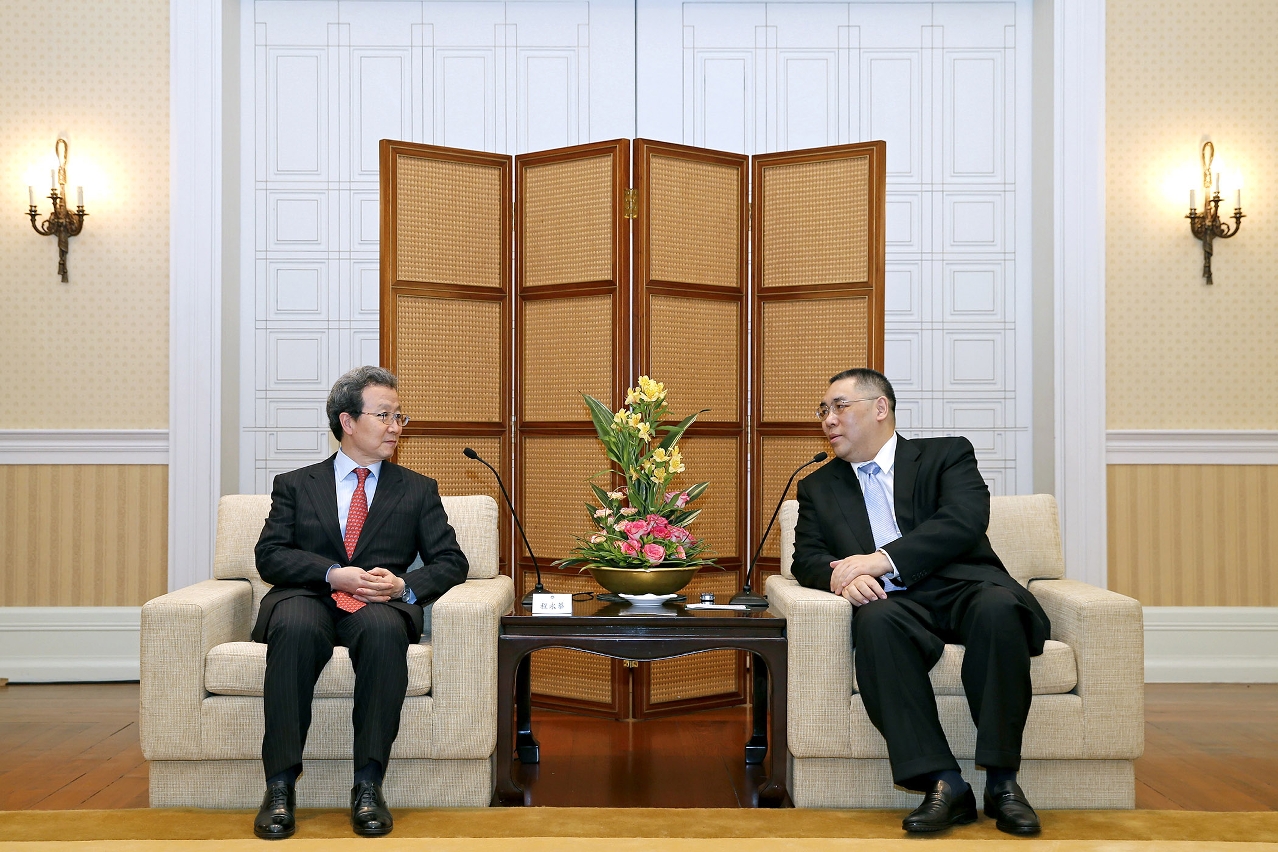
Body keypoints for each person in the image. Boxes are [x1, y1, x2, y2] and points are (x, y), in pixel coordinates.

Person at [792, 368, 1050, 836]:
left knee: (998, 611)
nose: (827, 419)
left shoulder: (946, 454)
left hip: (963, 586)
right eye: (823, 410)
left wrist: (880, 560)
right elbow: (806, 558)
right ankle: (945, 783)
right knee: (875, 623)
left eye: (839, 406)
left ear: (880, 408)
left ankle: (1002, 783)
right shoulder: (818, 486)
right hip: (892, 603)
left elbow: (963, 520)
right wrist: (842, 578)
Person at [251, 366, 469, 840]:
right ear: (348, 421)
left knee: (385, 631)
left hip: (377, 603)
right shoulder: (296, 484)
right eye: (384, 415)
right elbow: (270, 556)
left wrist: (403, 586)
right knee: (293, 628)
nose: (396, 426)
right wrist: (332, 573)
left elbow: (452, 561)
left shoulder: (416, 489)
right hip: (308, 595)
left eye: (399, 416)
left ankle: (368, 785)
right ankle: (280, 788)